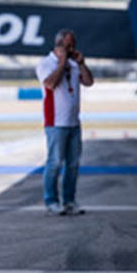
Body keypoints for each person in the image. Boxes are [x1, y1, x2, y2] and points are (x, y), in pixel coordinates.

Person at [35, 29, 94, 216]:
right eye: (68, 44)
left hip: (73, 123)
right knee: (54, 162)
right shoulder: (46, 63)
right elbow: (50, 84)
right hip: (56, 122)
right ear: (59, 44)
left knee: (73, 164)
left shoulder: (74, 64)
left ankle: (69, 201)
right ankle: (51, 200)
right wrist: (61, 63)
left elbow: (89, 82)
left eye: (73, 44)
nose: (72, 48)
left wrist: (81, 63)